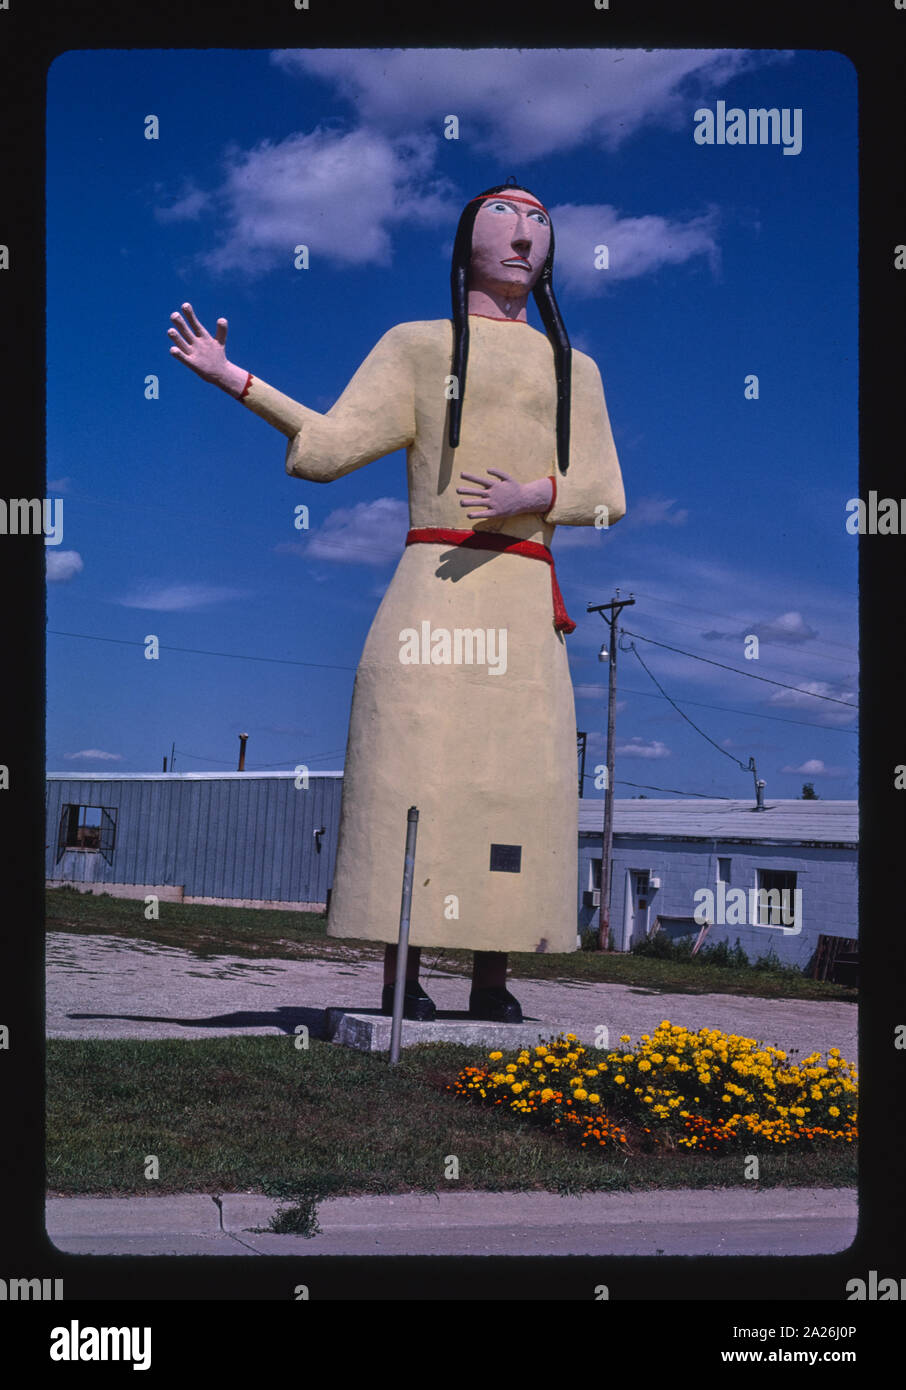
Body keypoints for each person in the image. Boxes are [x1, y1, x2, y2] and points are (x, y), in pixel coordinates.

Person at [167, 179, 626, 1023]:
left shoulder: (576, 368)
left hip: (524, 603)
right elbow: (332, 448)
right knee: (411, 779)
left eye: (539, 225)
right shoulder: (419, 345)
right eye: (504, 220)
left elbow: (607, 494)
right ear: (466, 245)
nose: (524, 238)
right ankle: (399, 970)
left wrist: (535, 491)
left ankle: (493, 976)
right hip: (432, 595)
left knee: (516, 791)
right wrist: (235, 377)